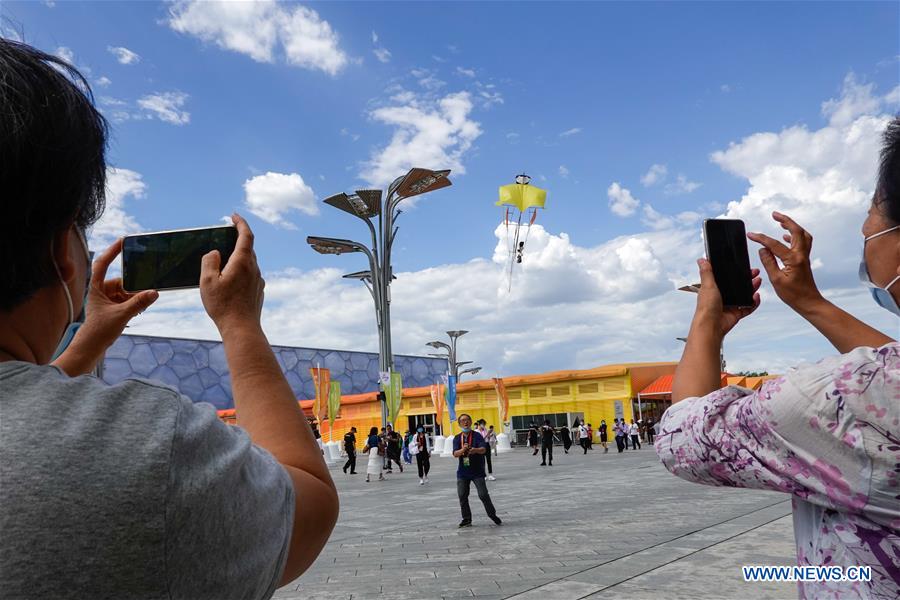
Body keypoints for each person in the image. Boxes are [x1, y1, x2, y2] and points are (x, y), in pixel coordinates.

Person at [0, 39, 339, 599]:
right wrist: (240, 325)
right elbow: (307, 504)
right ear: (63, 253)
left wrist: (86, 342)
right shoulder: (156, 449)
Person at [656, 117, 900, 600]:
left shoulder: (836, 400)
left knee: (768, 574)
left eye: (872, 217)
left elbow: (681, 436)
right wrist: (811, 303)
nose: (865, 231)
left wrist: (707, 319)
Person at [452, 414, 502, 527]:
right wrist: (463, 450)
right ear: (459, 424)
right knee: (462, 495)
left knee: (483, 494)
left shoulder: (477, 436)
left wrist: (474, 450)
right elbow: (455, 453)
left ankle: (492, 515)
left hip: (477, 472)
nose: (465, 422)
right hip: (463, 472)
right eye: (463, 420)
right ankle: (466, 519)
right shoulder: (457, 438)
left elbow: (483, 449)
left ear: (470, 422)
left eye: (467, 420)